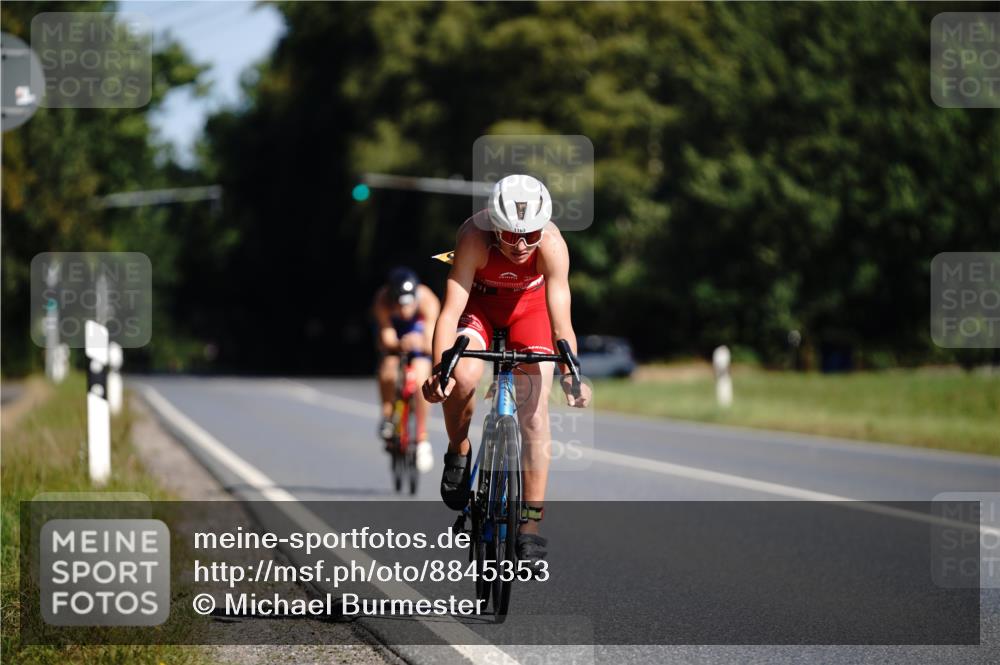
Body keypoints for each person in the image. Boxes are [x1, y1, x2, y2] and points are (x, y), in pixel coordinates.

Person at [422, 174, 592, 570]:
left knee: (534, 414)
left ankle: (530, 526)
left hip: (528, 311)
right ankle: (459, 448)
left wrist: (571, 372)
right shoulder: (472, 237)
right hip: (479, 308)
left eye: (530, 234)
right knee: (462, 376)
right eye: (512, 235)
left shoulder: (551, 246)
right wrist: (438, 370)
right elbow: (450, 312)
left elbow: (561, 321)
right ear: (493, 225)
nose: (520, 245)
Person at [373, 267, 439, 473]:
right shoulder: (382, 300)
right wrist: (398, 344)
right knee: (388, 370)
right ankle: (387, 415)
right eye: (399, 305)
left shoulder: (428, 300)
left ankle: (421, 437)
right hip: (397, 336)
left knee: (421, 377)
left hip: (420, 337)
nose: (404, 310)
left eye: (409, 304)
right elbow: (386, 338)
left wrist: (419, 342)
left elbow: (432, 342)